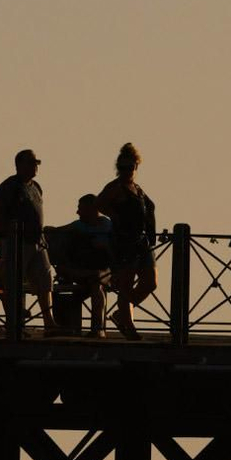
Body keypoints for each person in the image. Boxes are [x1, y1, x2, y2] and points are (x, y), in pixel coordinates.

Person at [0, 148, 61, 335]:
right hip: (17, 243)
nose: (35, 166)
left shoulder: (35, 187)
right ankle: (14, 325)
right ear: (19, 165)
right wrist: (8, 235)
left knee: (45, 280)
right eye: (31, 162)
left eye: (36, 162)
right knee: (14, 283)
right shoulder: (8, 187)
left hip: (38, 241)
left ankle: (49, 322)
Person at [96, 143, 158, 340]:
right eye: (122, 168)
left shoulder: (137, 188)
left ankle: (120, 315)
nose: (126, 171)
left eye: (129, 167)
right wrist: (113, 215)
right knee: (126, 283)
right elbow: (99, 203)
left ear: (136, 167)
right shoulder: (116, 187)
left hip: (142, 241)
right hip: (125, 241)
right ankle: (128, 324)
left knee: (150, 282)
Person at [57, 194, 114, 337]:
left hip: (105, 270)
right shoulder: (78, 225)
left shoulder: (109, 226)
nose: (77, 212)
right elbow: (57, 231)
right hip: (83, 269)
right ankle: (67, 327)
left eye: (80, 209)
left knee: (96, 282)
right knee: (90, 280)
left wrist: (105, 246)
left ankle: (97, 328)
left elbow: (118, 249)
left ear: (92, 209)